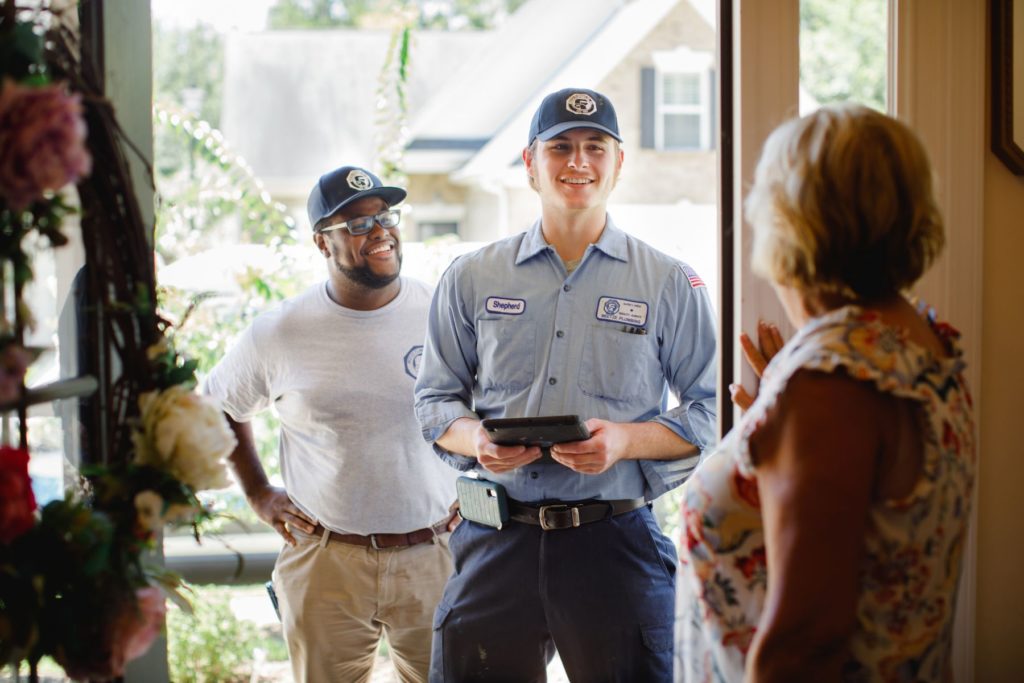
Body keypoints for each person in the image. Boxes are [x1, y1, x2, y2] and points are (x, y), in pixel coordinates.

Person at [414, 87, 718, 681]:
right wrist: (476, 440)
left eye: (595, 147)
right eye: (560, 147)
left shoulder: (669, 283)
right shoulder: (471, 278)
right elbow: (432, 401)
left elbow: (711, 413)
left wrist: (625, 442)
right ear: (530, 164)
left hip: (616, 543)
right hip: (495, 540)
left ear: (618, 163)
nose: (578, 161)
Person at [674, 104, 976, 682]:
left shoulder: (833, 380)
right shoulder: (917, 338)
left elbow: (803, 649)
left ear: (788, 219)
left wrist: (805, 401)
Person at [203, 165, 458, 683]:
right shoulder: (279, 332)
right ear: (323, 243)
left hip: (436, 554)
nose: (381, 231)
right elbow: (219, 406)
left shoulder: (442, 314)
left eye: (386, 216)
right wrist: (257, 492)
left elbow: (491, 409)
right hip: (325, 560)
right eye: (358, 224)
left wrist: (477, 486)